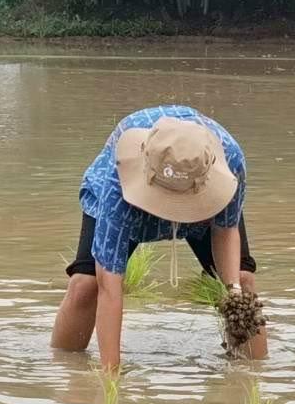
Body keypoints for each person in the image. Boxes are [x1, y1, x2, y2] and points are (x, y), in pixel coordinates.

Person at [51, 105, 268, 371]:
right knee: (86, 285)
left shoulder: (230, 160)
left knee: (243, 283)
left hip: (202, 198)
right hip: (135, 197)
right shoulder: (115, 182)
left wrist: (233, 291)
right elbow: (110, 287)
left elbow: (225, 230)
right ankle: (63, 369)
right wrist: (110, 382)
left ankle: (255, 375)